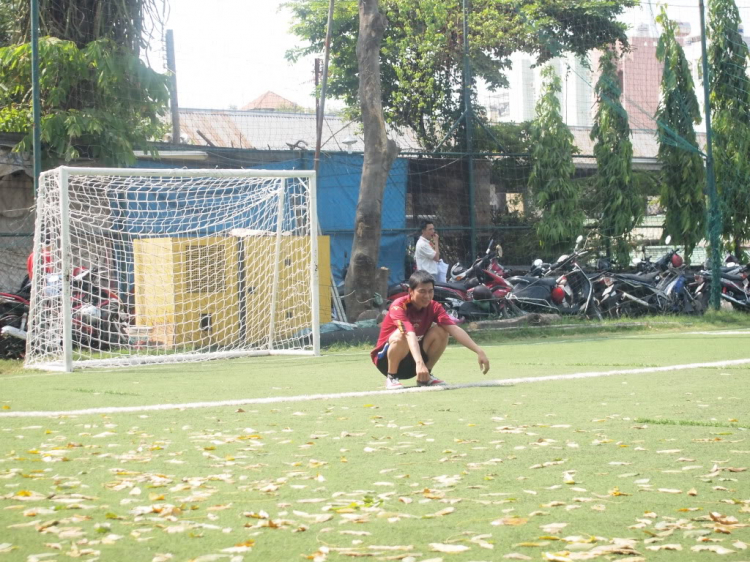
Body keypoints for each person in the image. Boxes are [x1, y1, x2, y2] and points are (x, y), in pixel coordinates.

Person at [371, 269, 491, 389]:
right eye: (422, 291)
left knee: (442, 330)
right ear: (410, 291)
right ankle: (391, 378)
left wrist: (479, 351)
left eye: (430, 291)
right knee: (401, 334)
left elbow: (454, 329)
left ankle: (426, 376)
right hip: (385, 362)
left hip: (414, 363)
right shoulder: (398, 305)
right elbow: (409, 334)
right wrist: (419, 363)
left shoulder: (435, 307)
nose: (427, 296)